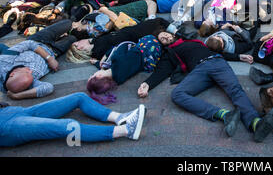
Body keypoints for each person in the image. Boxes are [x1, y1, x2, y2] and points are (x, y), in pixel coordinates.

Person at [137, 32, 273, 142]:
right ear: (163, 45)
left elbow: (216, 52)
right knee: (177, 94)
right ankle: (224, 115)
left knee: (235, 90)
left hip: (217, 62)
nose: (166, 37)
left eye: (166, 34)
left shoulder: (193, 40)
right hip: (200, 71)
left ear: (172, 34)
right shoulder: (171, 53)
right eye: (162, 38)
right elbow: (162, 70)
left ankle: (256, 123)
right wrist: (147, 84)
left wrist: (238, 57)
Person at [0, 92, 147, 146]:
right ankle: (126, 130)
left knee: (79, 97)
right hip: (6, 127)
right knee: (69, 126)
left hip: (11, 111)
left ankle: (120, 118)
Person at [0, 20, 77, 100]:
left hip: (40, 40)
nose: (31, 71)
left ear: (13, 73)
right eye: (30, 75)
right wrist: (19, 95)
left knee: (68, 23)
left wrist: (49, 59)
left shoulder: (4, 61)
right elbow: (48, 88)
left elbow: (29, 43)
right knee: (74, 37)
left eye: (26, 71)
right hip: (54, 51)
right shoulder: (24, 85)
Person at [86, 35, 162, 105]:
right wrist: (105, 57)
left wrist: (97, 63)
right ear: (99, 76)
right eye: (93, 75)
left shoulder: (118, 80)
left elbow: (107, 70)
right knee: (149, 37)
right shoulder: (116, 59)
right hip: (148, 48)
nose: (93, 73)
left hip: (148, 61)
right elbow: (123, 45)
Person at [66, 17, 170, 64]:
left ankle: (175, 30)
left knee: (161, 26)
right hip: (136, 34)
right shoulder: (98, 51)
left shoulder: (96, 45)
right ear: (79, 47)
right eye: (78, 42)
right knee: (160, 23)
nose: (81, 40)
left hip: (133, 32)